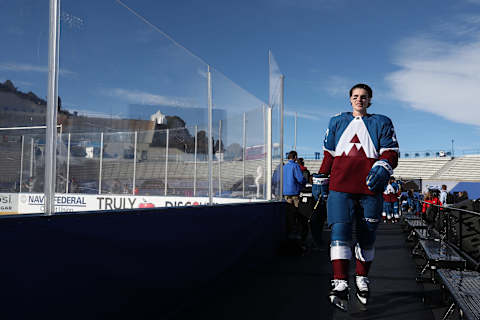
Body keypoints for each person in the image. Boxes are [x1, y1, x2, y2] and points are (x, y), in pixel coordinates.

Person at [318, 83, 399, 310]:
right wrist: (321, 177)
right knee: (340, 231)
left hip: (369, 188)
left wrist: (384, 164)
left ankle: (362, 277)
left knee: (367, 236)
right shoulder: (336, 121)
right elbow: (329, 154)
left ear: (370, 99)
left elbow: (391, 152)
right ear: (350, 99)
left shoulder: (382, 121)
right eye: (355, 96)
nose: (359, 100)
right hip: (340, 185)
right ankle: (340, 281)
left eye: (364, 97)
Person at [283, 150, 307, 241]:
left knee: (289, 214)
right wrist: (304, 182)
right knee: (297, 212)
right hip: (294, 193)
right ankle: (296, 232)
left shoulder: (284, 167)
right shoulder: (295, 166)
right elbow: (300, 179)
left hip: (285, 193)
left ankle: (289, 231)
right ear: (295, 157)